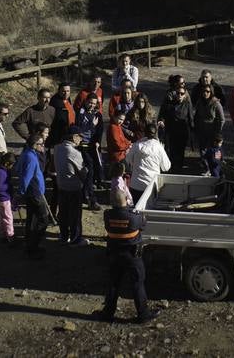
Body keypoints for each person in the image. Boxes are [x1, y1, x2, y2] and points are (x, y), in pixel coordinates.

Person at [96, 189, 159, 324]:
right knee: (137, 283)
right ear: (126, 200)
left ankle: (108, 313)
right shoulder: (134, 217)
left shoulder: (107, 215)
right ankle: (143, 314)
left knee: (114, 283)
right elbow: (143, 225)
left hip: (114, 254)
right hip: (132, 255)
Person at [54, 125, 90, 246]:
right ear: (74, 137)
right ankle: (76, 239)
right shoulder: (74, 152)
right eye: (79, 137)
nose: (81, 139)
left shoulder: (57, 148)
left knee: (63, 213)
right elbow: (83, 172)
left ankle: (64, 236)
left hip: (61, 185)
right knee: (75, 215)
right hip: (73, 187)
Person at [17, 132, 49, 258]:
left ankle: (29, 245)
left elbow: (18, 169)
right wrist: (20, 192)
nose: (43, 146)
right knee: (43, 220)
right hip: (35, 193)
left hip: (32, 192)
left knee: (32, 219)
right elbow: (26, 177)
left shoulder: (26, 154)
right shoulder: (31, 157)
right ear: (34, 145)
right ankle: (33, 247)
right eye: (41, 144)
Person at [125, 122, 171, 204]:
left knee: (136, 210)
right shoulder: (159, 148)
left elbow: (127, 160)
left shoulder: (136, 146)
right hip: (151, 185)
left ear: (144, 132)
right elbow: (166, 167)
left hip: (136, 184)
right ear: (156, 133)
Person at [76, 94, 104, 210]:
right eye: (90, 102)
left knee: (93, 170)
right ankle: (91, 199)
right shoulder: (80, 113)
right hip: (82, 145)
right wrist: (91, 125)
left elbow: (100, 130)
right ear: (86, 101)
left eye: (94, 103)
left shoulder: (97, 114)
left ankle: (85, 193)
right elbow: (79, 128)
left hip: (93, 146)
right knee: (89, 170)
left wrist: (98, 141)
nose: (92, 105)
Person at [158, 83, 194, 172]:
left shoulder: (187, 104)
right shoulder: (169, 103)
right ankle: (171, 167)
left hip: (182, 131)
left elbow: (190, 118)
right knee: (171, 150)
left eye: (182, 93)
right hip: (171, 131)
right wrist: (161, 120)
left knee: (180, 151)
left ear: (185, 95)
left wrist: (192, 131)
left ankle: (179, 167)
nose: (179, 95)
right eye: (178, 93)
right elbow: (162, 114)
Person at [0, 152, 16, 245]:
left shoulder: (0, 170)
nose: (12, 167)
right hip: (4, 198)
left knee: (2, 217)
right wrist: (9, 193)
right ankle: (11, 237)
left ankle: (2, 234)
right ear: (7, 164)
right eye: (12, 165)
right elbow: (1, 187)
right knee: (8, 218)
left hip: (0, 198)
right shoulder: (1, 173)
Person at [194, 84, 225, 153]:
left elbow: (222, 119)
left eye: (208, 91)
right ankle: (203, 162)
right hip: (201, 130)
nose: (205, 93)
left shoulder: (216, 103)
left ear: (211, 92)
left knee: (212, 150)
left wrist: (218, 131)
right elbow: (196, 115)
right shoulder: (199, 102)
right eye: (203, 91)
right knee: (202, 149)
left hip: (212, 131)